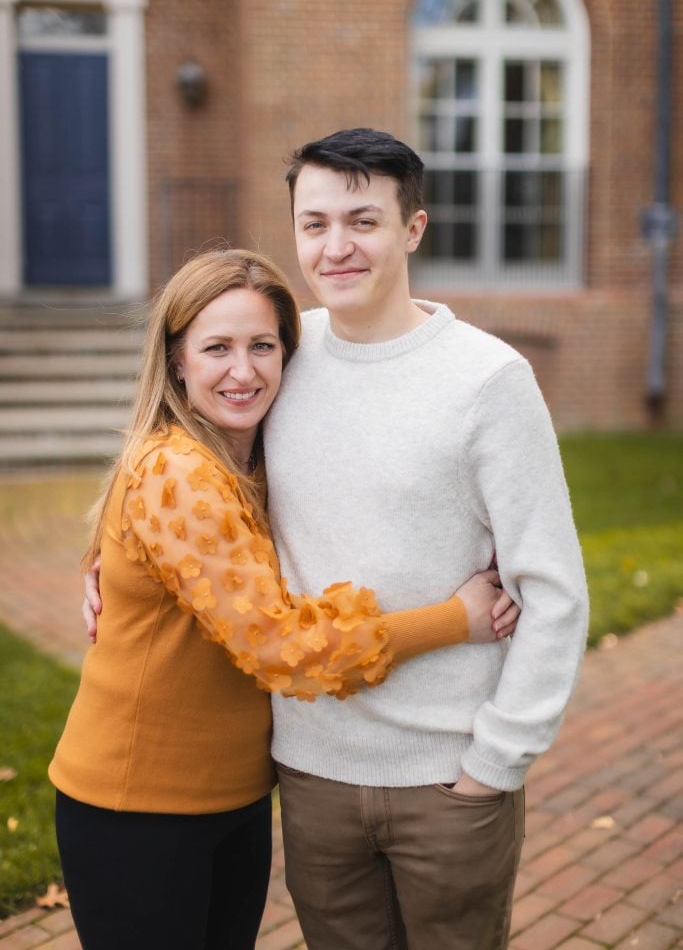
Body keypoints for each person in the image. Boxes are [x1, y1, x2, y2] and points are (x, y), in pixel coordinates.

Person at [58, 247, 520, 950]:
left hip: (235, 797)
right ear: (177, 359)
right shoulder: (179, 469)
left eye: (262, 346)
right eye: (216, 348)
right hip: (139, 805)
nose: (242, 371)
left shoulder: (255, 451)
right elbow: (282, 648)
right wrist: (453, 619)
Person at [260, 128, 589, 950]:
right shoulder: (277, 357)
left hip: (449, 781)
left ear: (412, 229)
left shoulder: (486, 380)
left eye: (362, 221)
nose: (335, 246)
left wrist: (493, 765)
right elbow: (187, 475)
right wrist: (102, 556)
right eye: (314, 223)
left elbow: (550, 589)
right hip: (311, 775)